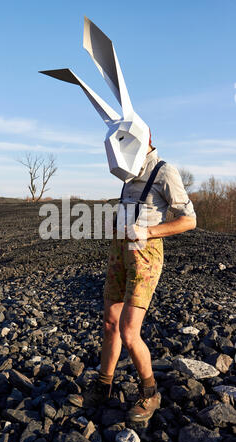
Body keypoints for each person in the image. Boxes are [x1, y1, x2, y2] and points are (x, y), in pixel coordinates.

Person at [69, 134, 197, 423]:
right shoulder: (129, 172)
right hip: (120, 250)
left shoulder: (165, 171)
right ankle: (104, 387)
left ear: (141, 143)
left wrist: (148, 232)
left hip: (145, 254)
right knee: (110, 322)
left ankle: (150, 392)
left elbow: (190, 220)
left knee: (129, 331)